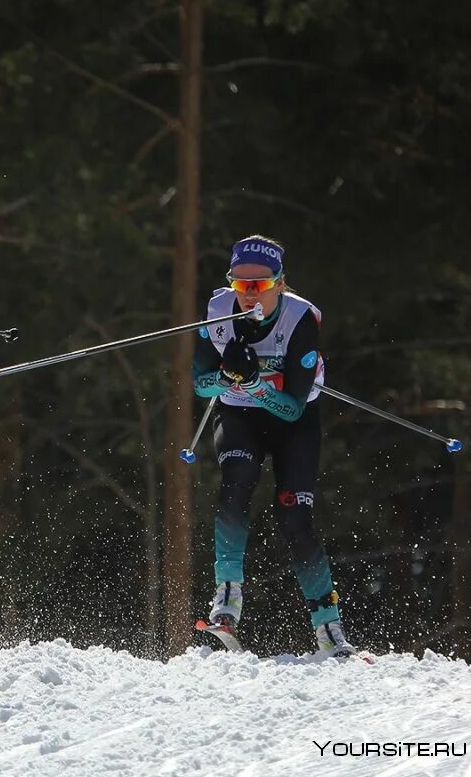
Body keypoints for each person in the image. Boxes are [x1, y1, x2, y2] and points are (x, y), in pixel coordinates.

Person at [193, 235, 357, 657]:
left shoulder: (301, 319)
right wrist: (227, 379)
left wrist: (252, 383)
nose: (249, 295)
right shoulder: (216, 313)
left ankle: (328, 628)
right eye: (240, 285)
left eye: (260, 286)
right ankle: (227, 595)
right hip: (239, 418)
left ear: (281, 284)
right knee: (237, 479)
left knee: (294, 516)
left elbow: (291, 408)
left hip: (293, 423)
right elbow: (200, 383)